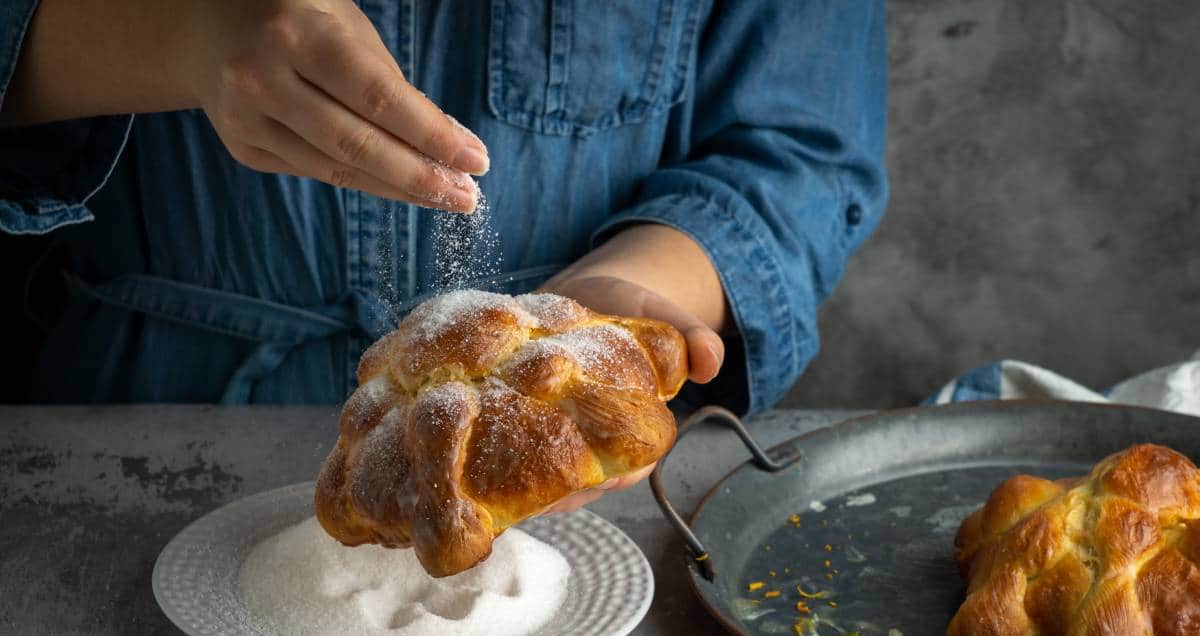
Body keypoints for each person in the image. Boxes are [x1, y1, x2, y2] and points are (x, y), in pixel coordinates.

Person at [0, 0, 887, 417]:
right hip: (140, 432)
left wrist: (616, 293)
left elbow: (798, 151)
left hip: (560, 457)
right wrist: (171, 36)